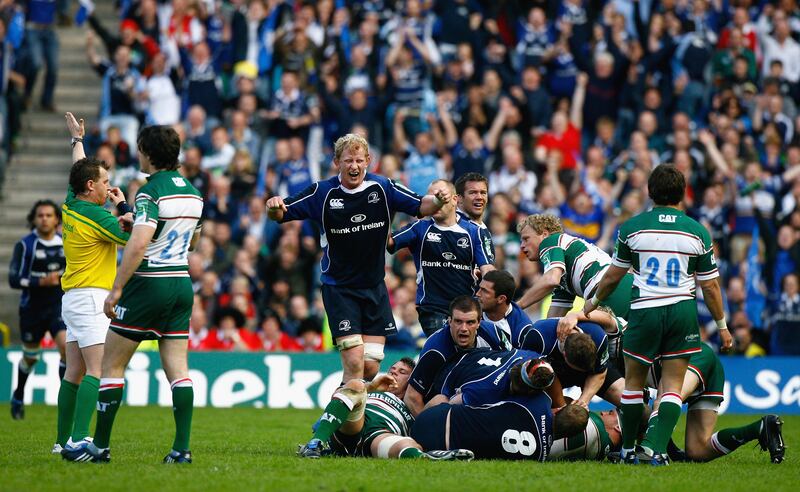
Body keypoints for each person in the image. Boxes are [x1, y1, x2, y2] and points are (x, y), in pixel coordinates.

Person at [63, 125, 203, 464]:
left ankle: (99, 446)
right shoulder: (194, 192)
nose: (138, 155)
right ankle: (181, 449)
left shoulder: (149, 191)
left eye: (140, 149)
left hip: (148, 283)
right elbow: (193, 242)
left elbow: (139, 244)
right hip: (181, 283)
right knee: (179, 371)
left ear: (148, 153)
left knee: (111, 366)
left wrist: (117, 289)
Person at [266, 133, 451, 385]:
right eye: (348, 160)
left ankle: (340, 413)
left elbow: (423, 205)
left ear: (368, 161)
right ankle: (330, 424)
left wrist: (439, 199)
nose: (354, 166)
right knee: (354, 363)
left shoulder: (384, 188)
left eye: (359, 160)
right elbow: (280, 212)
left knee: (369, 369)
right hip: (340, 289)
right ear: (336, 162)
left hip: (375, 288)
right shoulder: (322, 193)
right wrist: (274, 205)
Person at [585, 164, 732, 465]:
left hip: (645, 312)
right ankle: (657, 450)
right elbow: (712, 287)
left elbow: (613, 276)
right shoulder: (698, 232)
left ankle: (627, 450)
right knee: (673, 386)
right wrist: (722, 326)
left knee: (634, 384)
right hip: (681, 311)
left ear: (650, 192)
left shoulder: (632, 228)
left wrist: (593, 301)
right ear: (682, 194)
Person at [57, 112, 132, 455]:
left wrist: (78, 141)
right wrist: (123, 204)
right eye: (104, 182)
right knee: (98, 370)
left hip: (72, 296)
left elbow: (79, 172)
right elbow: (131, 233)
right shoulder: (100, 215)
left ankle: (61, 442)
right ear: (92, 187)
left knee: (74, 372)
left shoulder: (72, 204)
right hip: (91, 297)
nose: (108, 186)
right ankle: (78, 439)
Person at [297, 358, 473, 461]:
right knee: (356, 384)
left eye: (402, 371)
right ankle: (314, 444)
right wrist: (371, 387)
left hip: (381, 434)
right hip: (355, 425)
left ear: (413, 381)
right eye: (393, 369)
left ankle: (426, 457)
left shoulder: (413, 405)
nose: (395, 372)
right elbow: (339, 396)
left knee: (406, 444)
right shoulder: (372, 388)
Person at [388, 179, 493, 335]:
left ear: (454, 200)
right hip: (432, 309)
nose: (434, 203)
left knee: (464, 356)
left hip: (466, 309)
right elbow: (389, 242)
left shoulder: (473, 231)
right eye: (430, 199)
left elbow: (488, 270)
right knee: (447, 346)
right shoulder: (420, 228)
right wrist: (387, 210)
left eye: (439, 197)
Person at [648, 344, 784, 464]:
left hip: (690, 356)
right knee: (697, 451)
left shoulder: (631, 351)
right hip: (703, 361)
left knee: (666, 398)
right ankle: (760, 428)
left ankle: (654, 451)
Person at [8, 200, 67, 420]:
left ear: (56, 220)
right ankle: (18, 394)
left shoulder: (65, 243)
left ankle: (65, 402)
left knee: (66, 350)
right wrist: (40, 282)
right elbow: (14, 279)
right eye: (40, 215)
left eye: (49, 215)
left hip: (58, 306)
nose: (44, 219)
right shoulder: (25, 245)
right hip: (32, 308)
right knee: (31, 357)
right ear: (34, 219)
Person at [403, 295, 505, 416]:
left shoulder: (494, 334)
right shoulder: (435, 350)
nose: (464, 328)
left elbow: (512, 361)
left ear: (479, 322)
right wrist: (425, 428)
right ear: (449, 321)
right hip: (446, 408)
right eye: (458, 321)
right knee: (440, 400)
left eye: (470, 322)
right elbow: (411, 397)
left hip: (483, 397)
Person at [517, 214, 633, 319]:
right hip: (625, 286)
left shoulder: (550, 241)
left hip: (610, 290)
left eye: (526, 239)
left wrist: (517, 306)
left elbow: (551, 280)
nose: (522, 246)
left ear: (544, 234)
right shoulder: (565, 269)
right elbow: (554, 318)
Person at [411, 393, 588, 461]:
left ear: (557, 411)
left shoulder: (539, 401)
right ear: (567, 436)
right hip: (443, 446)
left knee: (443, 397)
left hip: (433, 421)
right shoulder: (541, 457)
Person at [520, 316, 623, 408]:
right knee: (559, 412)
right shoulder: (538, 337)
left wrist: (583, 401)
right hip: (549, 375)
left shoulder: (599, 337)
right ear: (564, 355)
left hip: (588, 374)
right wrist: (562, 405)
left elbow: (599, 373)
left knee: (623, 395)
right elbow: (529, 377)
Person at [426, 348, 561, 408]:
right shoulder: (488, 391)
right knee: (444, 401)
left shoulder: (530, 357)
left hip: (472, 354)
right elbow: (450, 403)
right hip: (444, 377)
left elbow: (549, 373)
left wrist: (561, 405)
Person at [476, 270, 533, 348]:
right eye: (480, 288)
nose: (477, 294)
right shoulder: (470, 308)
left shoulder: (521, 329)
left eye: (484, 291)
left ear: (501, 299)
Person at [455, 172, 495, 264]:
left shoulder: (482, 227)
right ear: (459, 198)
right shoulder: (454, 225)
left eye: (483, 193)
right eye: (473, 193)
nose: (479, 197)